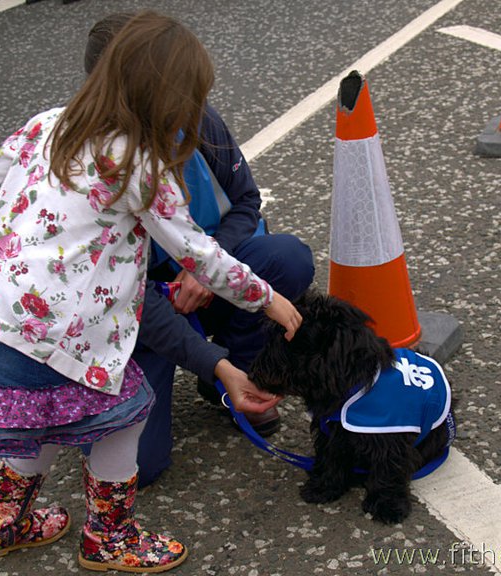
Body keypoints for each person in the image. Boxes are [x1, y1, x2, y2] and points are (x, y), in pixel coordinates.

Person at [0, 10, 301, 574]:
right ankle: (109, 539)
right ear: (165, 100)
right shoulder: (138, 162)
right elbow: (198, 253)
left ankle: (2, 522)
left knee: (40, 421)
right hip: (69, 339)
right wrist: (268, 299)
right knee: (124, 418)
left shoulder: (48, 122)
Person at [83, 12, 315, 488]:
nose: (189, 108)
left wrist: (202, 267)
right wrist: (209, 356)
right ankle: (202, 372)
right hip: (131, 313)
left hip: (197, 282)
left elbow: (245, 201)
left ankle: (231, 382)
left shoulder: (197, 120)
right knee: (140, 469)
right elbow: (126, 299)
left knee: (287, 258)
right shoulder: (104, 169)